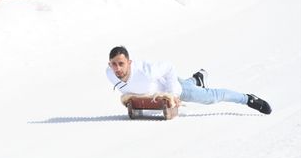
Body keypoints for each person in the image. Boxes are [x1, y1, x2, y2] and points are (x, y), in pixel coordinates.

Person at [106, 46, 272, 114]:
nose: (118, 68)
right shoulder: (110, 73)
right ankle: (197, 78)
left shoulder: (147, 72)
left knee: (211, 97)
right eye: (114, 65)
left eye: (121, 64)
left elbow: (169, 67)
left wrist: (173, 94)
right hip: (161, 86)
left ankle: (248, 98)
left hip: (172, 86)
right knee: (188, 85)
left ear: (129, 62)